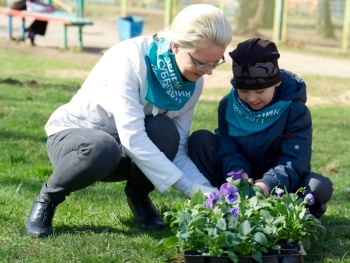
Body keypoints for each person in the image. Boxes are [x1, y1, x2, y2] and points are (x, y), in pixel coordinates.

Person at [25, 4, 233, 238]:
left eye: (216, 62)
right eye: (201, 62)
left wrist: (209, 193)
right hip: (79, 146)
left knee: (165, 130)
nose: (209, 71)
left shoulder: (193, 82)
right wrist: (190, 188)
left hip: (123, 152)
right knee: (103, 146)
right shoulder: (130, 59)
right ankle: (48, 198)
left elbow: (178, 150)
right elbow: (133, 139)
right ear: (176, 45)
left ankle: (139, 196)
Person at [188, 38, 333, 218]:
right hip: (242, 182)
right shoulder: (228, 105)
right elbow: (228, 148)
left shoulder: (295, 110)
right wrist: (239, 177)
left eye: (259, 91)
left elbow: (295, 160)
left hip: (280, 184)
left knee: (319, 187)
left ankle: (291, 212)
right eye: (244, 91)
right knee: (200, 140)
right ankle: (221, 201)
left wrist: (267, 184)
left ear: (276, 82)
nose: (251, 98)